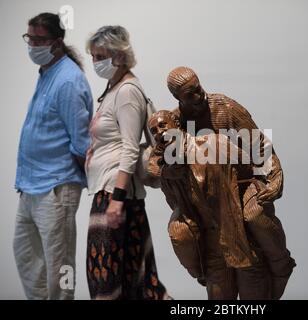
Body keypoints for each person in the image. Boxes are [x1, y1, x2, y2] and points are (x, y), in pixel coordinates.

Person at [166, 67, 295, 299]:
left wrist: (274, 178)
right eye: (190, 95)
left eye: (198, 88)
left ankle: (280, 261)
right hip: (205, 198)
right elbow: (161, 163)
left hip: (242, 184)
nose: (199, 96)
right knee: (180, 233)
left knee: (254, 215)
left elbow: (260, 146)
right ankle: (201, 272)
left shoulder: (224, 108)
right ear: (178, 99)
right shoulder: (176, 123)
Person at [148, 110, 281, 299]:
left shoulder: (213, 143)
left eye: (163, 125)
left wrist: (271, 180)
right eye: (153, 131)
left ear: (177, 124)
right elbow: (175, 203)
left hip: (242, 242)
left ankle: (280, 263)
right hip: (212, 250)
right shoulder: (167, 173)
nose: (159, 132)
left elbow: (248, 168)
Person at [85, 25, 168, 299]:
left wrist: (117, 199)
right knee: (132, 276)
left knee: (110, 279)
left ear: (118, 55)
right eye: (93, 56)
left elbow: (130, 149)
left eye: (100, 56)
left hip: (116, 194)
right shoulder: (114, 89)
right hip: (108, 191)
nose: (95, 62)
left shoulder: (127, 92)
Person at [14, 12, 93, 299]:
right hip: (31, 186)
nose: (32, 45)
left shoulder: (69, 81)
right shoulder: (48, 72)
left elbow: (82, 142)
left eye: (39, 40)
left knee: (60, 268)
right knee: (28, 258)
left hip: (56, 187)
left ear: (56, 42)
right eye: (29, 38)